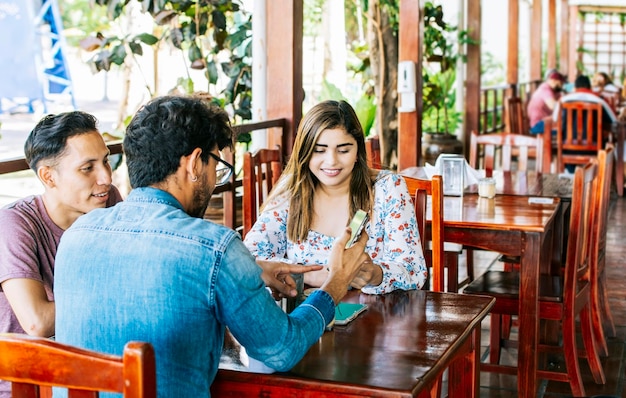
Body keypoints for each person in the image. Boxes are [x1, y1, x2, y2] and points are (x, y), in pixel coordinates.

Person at [53, 95, 369, 398]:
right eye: (214, 165)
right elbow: (280, 351)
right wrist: (337, 281)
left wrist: (253, 269)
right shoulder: (214, 247)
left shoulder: (75, 236)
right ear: (193, 164)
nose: (213, 178)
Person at [243, 100, 428, 294]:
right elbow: (250, 259)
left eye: (343, 150)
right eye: (319, 150)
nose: (331, 161)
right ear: (304, 153)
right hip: (304, 317)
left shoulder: (387, 189)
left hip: (375, 317)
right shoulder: (292, 189)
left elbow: (414, 271)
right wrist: (310, 275)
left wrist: (376, 274)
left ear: (358, 152)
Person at [0, 111, 122, 398]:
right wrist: (117, 290)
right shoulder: (15, 225)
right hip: (24, 384)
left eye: (106, 160)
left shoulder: (109, 200)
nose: (105, 177)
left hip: (88, 371)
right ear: (48, 176)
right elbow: (38, 322)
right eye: (87, 168)